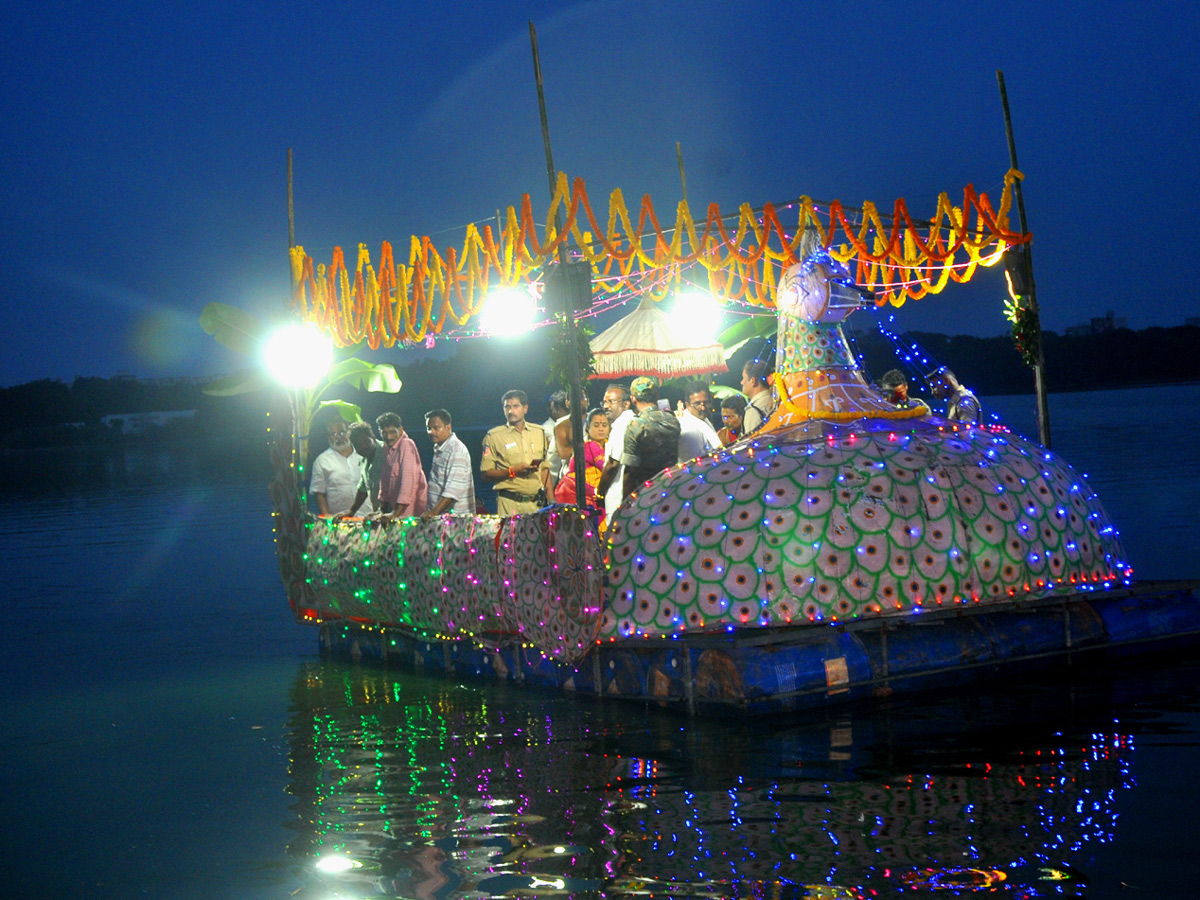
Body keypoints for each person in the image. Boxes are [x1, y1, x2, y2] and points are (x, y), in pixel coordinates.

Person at [480, 389, 551, 515]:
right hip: (509, 503)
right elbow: (485, 475)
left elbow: (545, 470)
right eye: (507, 407)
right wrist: (512, 472)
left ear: (525, 408)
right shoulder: (494, 436)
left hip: (536, 505)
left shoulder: (539, 433)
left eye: (515, 406)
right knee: (509, 535)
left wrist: (551, 501)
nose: (510, 411)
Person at [621, 376, 681, 499]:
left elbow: (630, 470)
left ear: (633, 399)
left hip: (646, 493)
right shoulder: (673, 420)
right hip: (671, 486)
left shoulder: (636, 425)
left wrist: (625, 503)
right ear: (657, 396)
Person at [309, 416, 372, 517]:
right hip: (339, 521)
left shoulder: (365, 454)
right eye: (333, 434)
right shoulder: (322, 461)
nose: (339, 437)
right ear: (328, 437)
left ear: (349, 433)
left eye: (343, 432)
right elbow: (318, 493)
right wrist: (327, 516)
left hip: (370, 517)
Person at [554, 408, 610, 519]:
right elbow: (607, 468)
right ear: (588, 428)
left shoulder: (608, 444)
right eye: (596, 425)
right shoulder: (588, 445)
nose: (601, 429)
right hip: (587, 498)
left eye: (604, 425)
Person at [374, 411, 428, 521]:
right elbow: (384, 481)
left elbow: (407, 483)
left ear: (400, 430)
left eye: (392, 432)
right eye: (384, 433)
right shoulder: (386, 448)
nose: (388, 437)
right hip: (396, 510)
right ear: (379, 432)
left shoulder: (406, 444)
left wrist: (395, 513)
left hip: (411, 512)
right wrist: (381, 510)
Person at [423, 408, 476, 518]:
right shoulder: (441, 448)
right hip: (441, 519)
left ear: (448, 427)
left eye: (436, 428)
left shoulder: (456, 450)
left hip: (455, 522)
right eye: (429, 428)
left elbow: (453, 490)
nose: (431, 432)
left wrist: (433, 512)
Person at [596, 383, 635, 522]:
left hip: (619, 498)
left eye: (611, 402)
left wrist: (600, 494)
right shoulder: (628, 422)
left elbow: (613, 464)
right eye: (604, 402)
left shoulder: (622, 426)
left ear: (626, 404)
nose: (606, 406)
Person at [340, 421, 385, 519]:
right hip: (381, 517)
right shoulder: (364, 458)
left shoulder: (388, 453)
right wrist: (351, 512)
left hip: (399, 516)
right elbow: (363, 489)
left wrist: (382, 512)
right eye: (358, 445)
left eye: (366, 441)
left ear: (373, 437)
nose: (363, 447)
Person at [676, 381, 721, 461]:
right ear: (687, 405)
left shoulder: (701, 417)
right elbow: (695, 466)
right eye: (697, 404)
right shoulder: (688, 430)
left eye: (706, 403)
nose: (703, 408)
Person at [740, 359, 776, 433]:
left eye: (744, 378)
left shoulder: (754, 410)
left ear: (753, 381)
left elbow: (751, 441)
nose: (741, 382)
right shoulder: (776, 400)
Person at [543, 390, 570, 484]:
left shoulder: (557, 427)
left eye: (552, 407)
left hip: (560, 481)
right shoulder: (547, 428)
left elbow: (558, 458)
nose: (551, 410)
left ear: (558, 408)